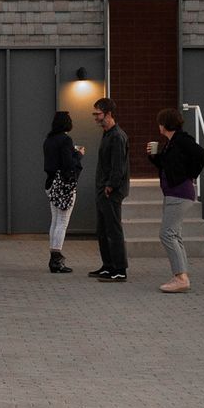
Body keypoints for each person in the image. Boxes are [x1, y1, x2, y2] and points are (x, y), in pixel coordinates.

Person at [147, 108, 204, 292]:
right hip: (173, 193)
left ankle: (181, 278)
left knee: (167, 234)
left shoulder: (181, 140)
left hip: (179, 193)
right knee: (175, 234)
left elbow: (201, 155)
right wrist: (154, 157)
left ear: (165, 124)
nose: (158, 126)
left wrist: (190, 174)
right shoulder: (171, 143)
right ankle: (181, 275)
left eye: (160, 122)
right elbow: (167, 166)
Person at [89, 96, 130, 281]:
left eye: (98, 114)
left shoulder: (117, 136)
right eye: (94, 114)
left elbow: (118, 166)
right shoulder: (107, 134)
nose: (95, 117)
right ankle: (108, 266)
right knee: (103, 230)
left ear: (109, 114)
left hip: (111, 192)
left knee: (113, 230)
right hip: (103, 190)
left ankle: (119, 269)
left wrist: (110, 186)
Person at [42, 111, 84, 273]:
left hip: (51, 184)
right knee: (62, 221)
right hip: (63, 185)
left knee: (55, 220)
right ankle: (56, 258)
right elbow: (68, 164)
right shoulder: (66, 140)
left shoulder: (48, 140)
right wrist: (78, 155)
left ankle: (54, 256)